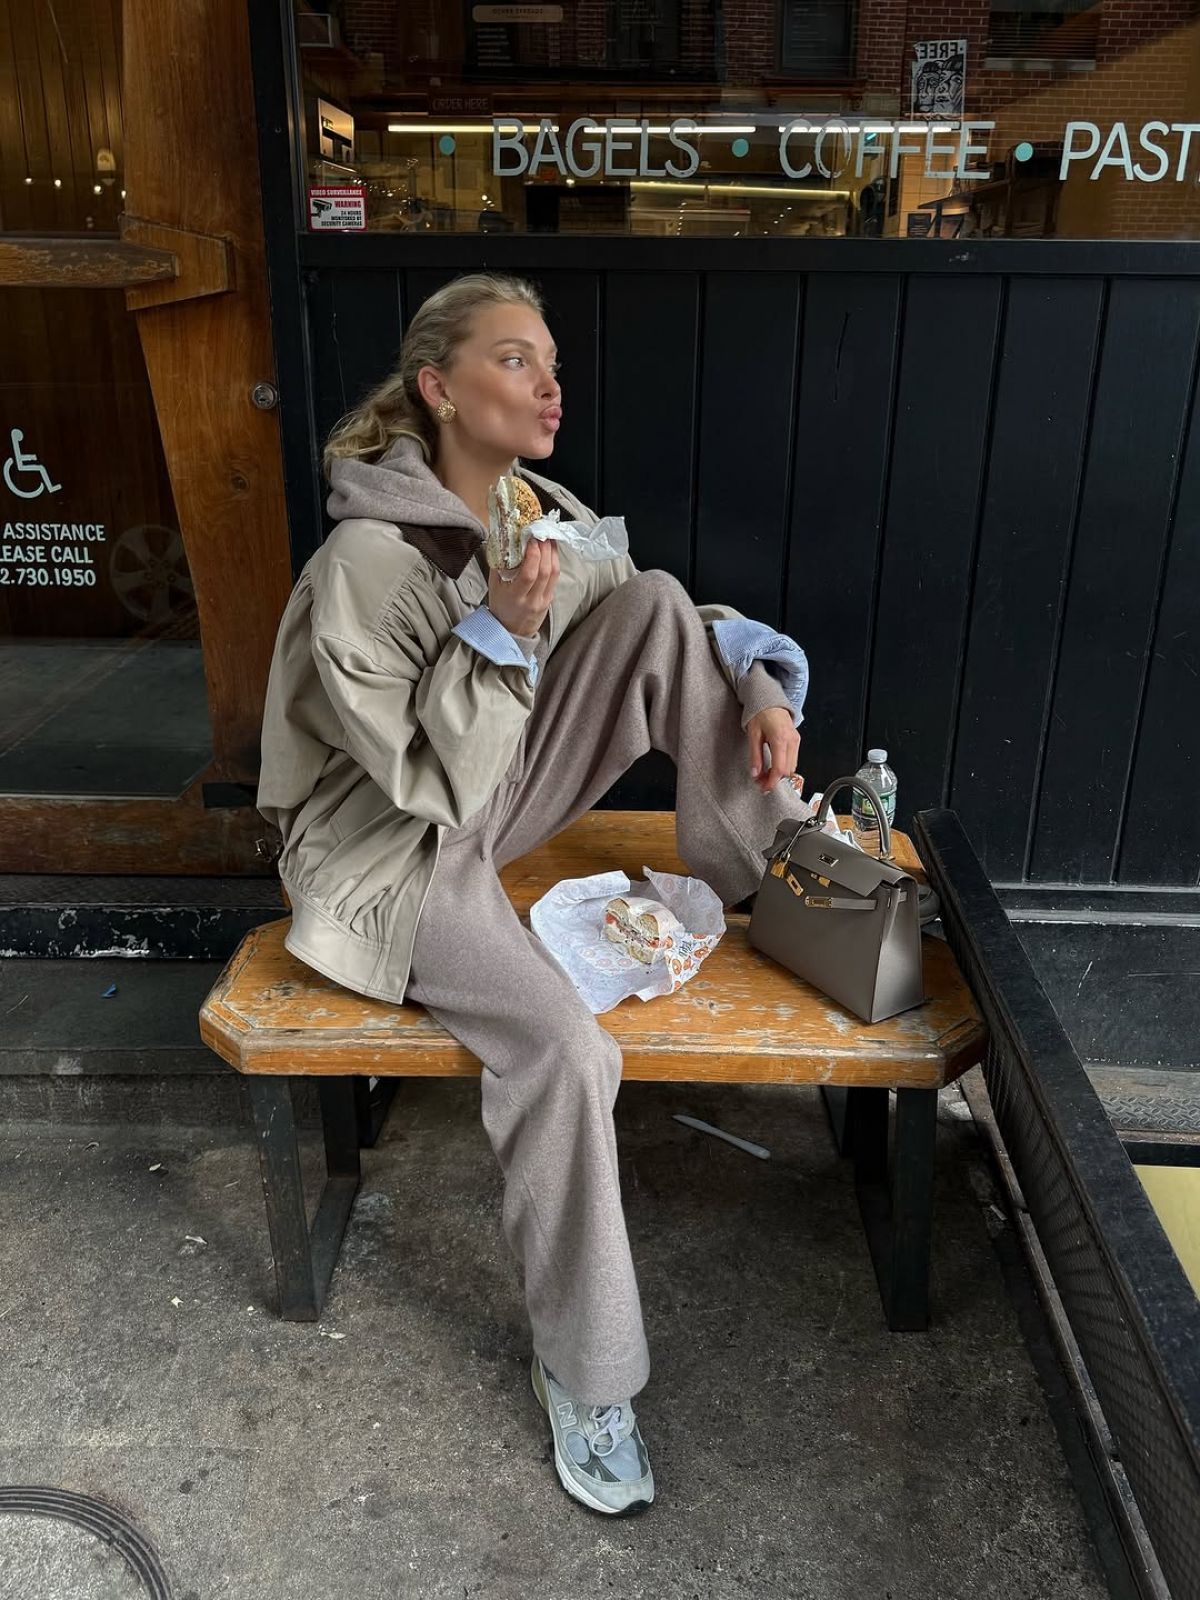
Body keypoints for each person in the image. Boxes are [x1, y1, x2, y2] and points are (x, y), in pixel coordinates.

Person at [256, 271, 813, 1517]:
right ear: (440, 389)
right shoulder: (365, 563)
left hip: (488, 790)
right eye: (516, 360)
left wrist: (762, 684)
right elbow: (428, 784)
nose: (551, 385)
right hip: (391, 850)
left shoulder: (530, 510)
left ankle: (787, 878)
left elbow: (668, 615)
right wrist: (504, 634)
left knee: (658, 605)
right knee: (563, 1046)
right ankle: (587, 1372)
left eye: (552, 362)